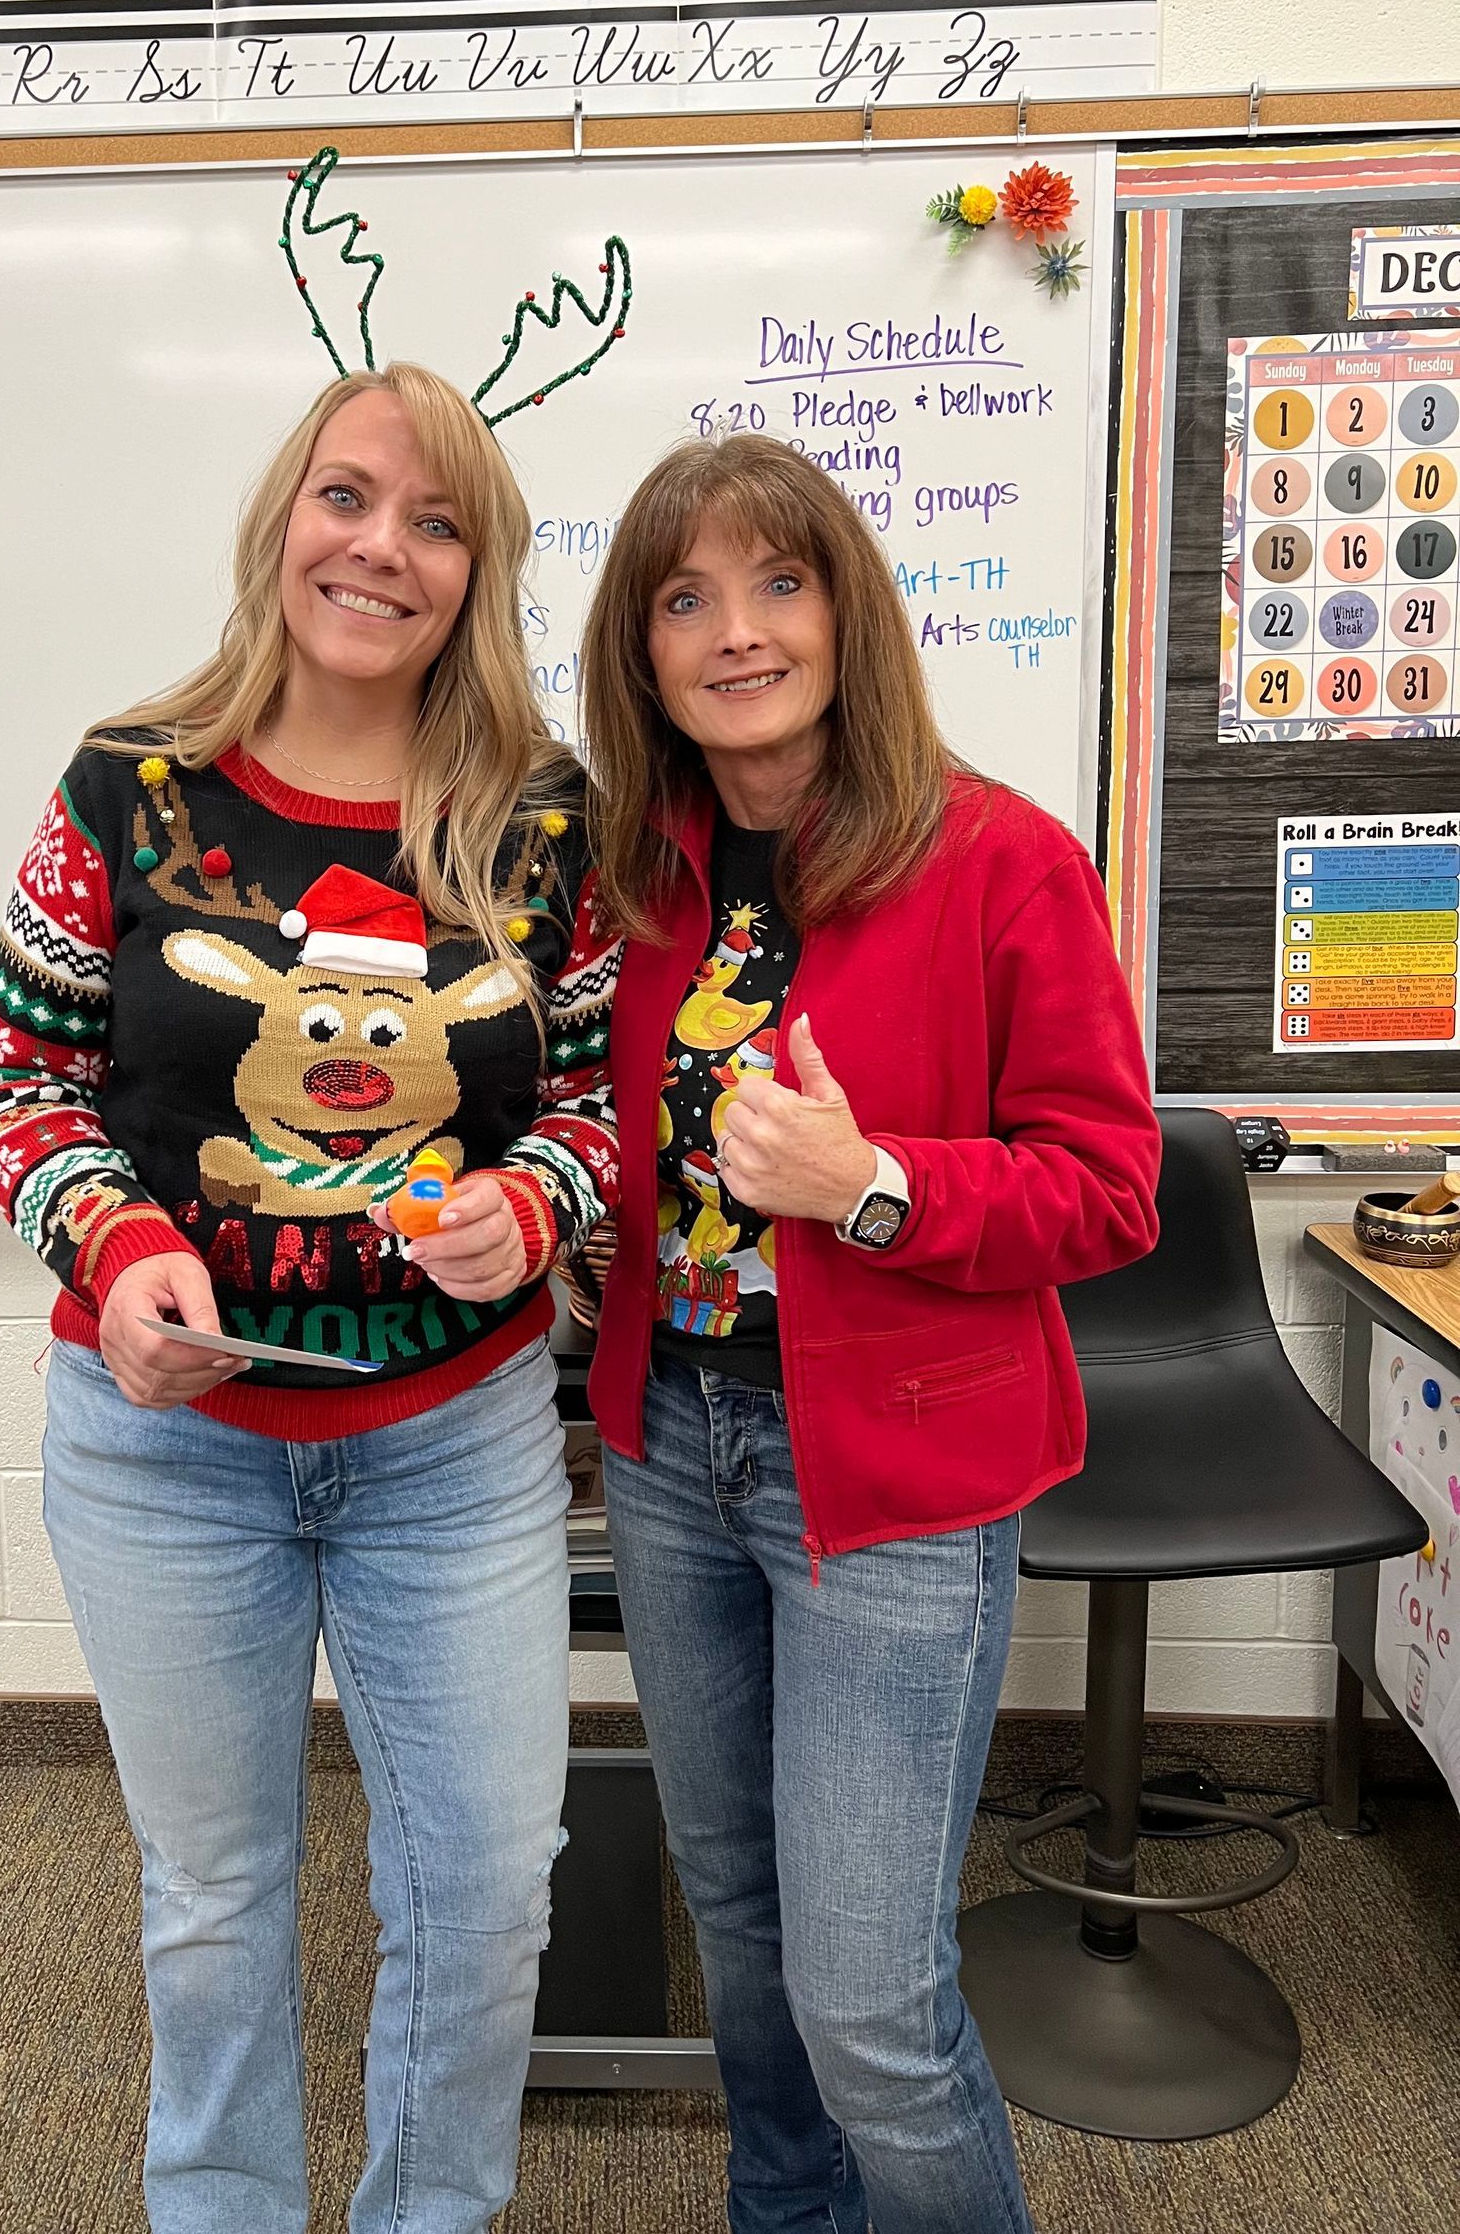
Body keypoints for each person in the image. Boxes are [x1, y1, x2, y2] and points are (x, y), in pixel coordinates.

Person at [0, 364, 619, 2234]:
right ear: (282, 521)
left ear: (472, 574)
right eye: (348, 497)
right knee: (218, 1900)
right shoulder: (128, 781)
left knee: (487, 1896)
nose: (380, 549)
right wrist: (120, 1245)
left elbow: (590, 1107)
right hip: (168, 1450)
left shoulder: (543, 819)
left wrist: (529, 1206)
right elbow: (12, 1084)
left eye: (433, 522)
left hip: (453, 1451)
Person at [577, 433, 1160, 2234]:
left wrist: (875, 1183)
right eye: (685, 599)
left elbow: (1112, 1190)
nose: (736, 632)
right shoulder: (628, 875)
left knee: (868, 2001)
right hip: (670, 1447)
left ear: (845, 609)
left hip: (898, 1480)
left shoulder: (999, 859)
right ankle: (788, 2215)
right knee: (738, 1929)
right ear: (643, 652)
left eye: (777, 583)